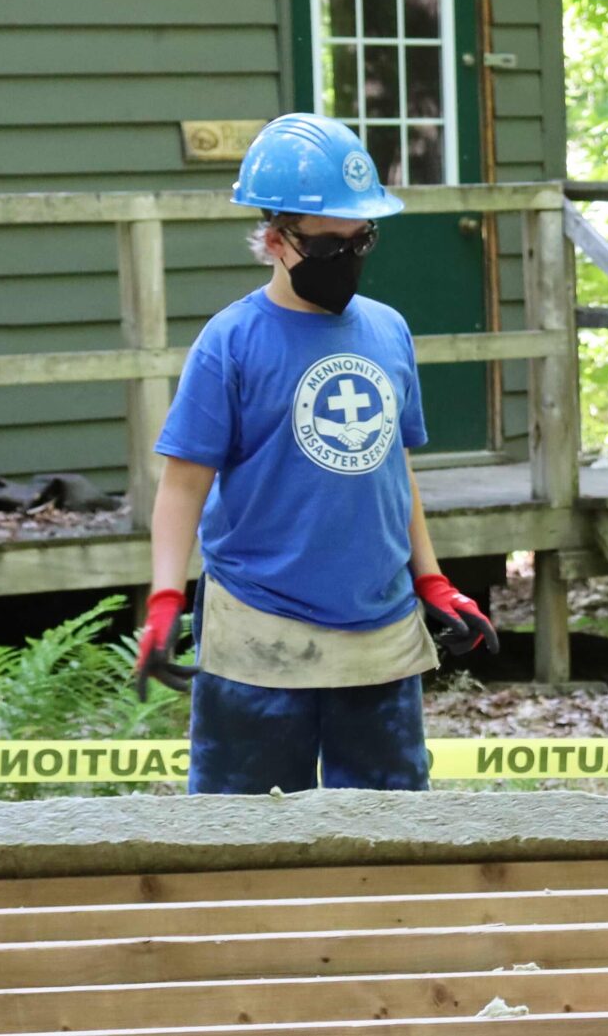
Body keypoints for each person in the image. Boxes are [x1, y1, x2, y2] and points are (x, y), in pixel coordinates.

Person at [132, 113, 498, 795]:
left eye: (362, 241)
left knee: (387, 852)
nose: (349, 259)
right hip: (258, 636)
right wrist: (162, 597)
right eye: (330, 246)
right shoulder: (231, 342)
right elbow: (182, 486)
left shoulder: (388, 331)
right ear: (275, 240)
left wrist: (433, 581)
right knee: (240, 852)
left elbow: (395, 468)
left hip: (380, 639)